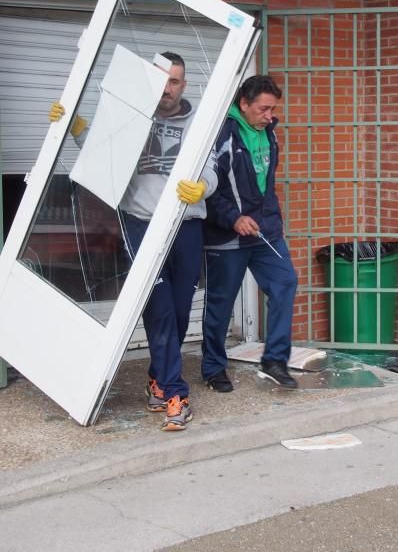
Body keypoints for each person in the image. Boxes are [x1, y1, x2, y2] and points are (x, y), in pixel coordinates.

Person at [50, 51, 215, 431]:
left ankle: (158, 379)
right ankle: (175, 393)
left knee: (178, 308)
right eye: (161, 81)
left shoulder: (200, 122)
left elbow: (213, 168)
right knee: (157, 307)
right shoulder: (130, 117)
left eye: (174, 81)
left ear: (183, 85)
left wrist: (204, 187)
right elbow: (99, 151)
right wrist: (72, 126)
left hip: (185, 226)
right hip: (140, 224)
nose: (167, 89)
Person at [201, 74, 298, 391]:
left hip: (266, 231)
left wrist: (271, 220)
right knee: (221, 302)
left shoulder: (269, 133)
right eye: (264, 109)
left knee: (285, 282)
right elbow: (207, 188)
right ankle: (214, 367)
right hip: (228, 235)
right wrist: (233, 218)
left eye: (273, 109)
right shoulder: (220, 135)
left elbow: (264, 185)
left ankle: (275, 361)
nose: (270, 115)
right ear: (244, 104)